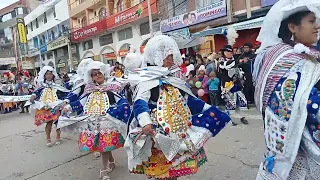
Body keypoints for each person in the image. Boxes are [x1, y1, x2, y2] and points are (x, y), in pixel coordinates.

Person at [124, 35, 231, 180]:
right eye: (168, 57)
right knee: (162, 173)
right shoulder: (146, 80)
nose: (171, 61)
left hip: (178, 131)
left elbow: (188, 100)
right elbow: (140, 102)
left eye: (171, 57)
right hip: (159, 133)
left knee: (173, 172)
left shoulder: (171, 79)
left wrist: (209, 109)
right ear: (157, 57)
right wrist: (145, 121)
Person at [253, 1, 320, 179]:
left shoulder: (309, 56)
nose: (317, 26)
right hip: (295, 149)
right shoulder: (285, 59)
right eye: (312, 21)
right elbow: (296, 102)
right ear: (292, 27)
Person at [59, 61, 130, 180]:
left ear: (103, 73)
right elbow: (81, 102)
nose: (97, 75)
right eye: (94, 74)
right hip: (92, 122)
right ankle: (111, 162)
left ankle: (103, 170)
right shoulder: (89, 88)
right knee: (103, 146)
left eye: (99, 73)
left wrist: (116, 111)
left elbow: (122, 101)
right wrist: (68, 107)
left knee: (104, 146)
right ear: (91, 77)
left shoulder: (113, 87)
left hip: (107, 122)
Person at [29, 66, 69, 147]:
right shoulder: (41, 85)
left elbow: (64, 92)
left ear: (53, 75)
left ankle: (58, 137)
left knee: (58, 122)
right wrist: (33, 96)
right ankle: (48, 138)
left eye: (50, 74)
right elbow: (36, 92)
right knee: (48, 123)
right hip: (45, 106)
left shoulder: (57, 85)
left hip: (56, 106)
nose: (49, 76)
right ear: (44, 75)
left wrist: (64, 101)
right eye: (47, 74)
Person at [218, 45, 248, 125]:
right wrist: (240, 61)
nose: (229, 53)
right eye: (227, 51)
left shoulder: (235, 59)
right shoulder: (222, 60)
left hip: (237, 84)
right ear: (224, 52)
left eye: (231, 51)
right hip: (227, 85)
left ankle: (242, 117)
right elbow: (227, 65)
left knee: (241, 100)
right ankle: (229, 119)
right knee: (230, 102)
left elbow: (238, 69)